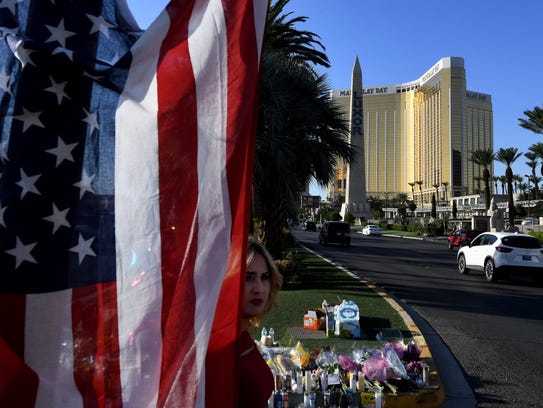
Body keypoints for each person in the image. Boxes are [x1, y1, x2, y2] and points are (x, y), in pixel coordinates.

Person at [238, 236, 283, 407]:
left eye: (265, 277)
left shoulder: (242, 336)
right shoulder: (220, 347)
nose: (259, 288)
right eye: (248, 277)